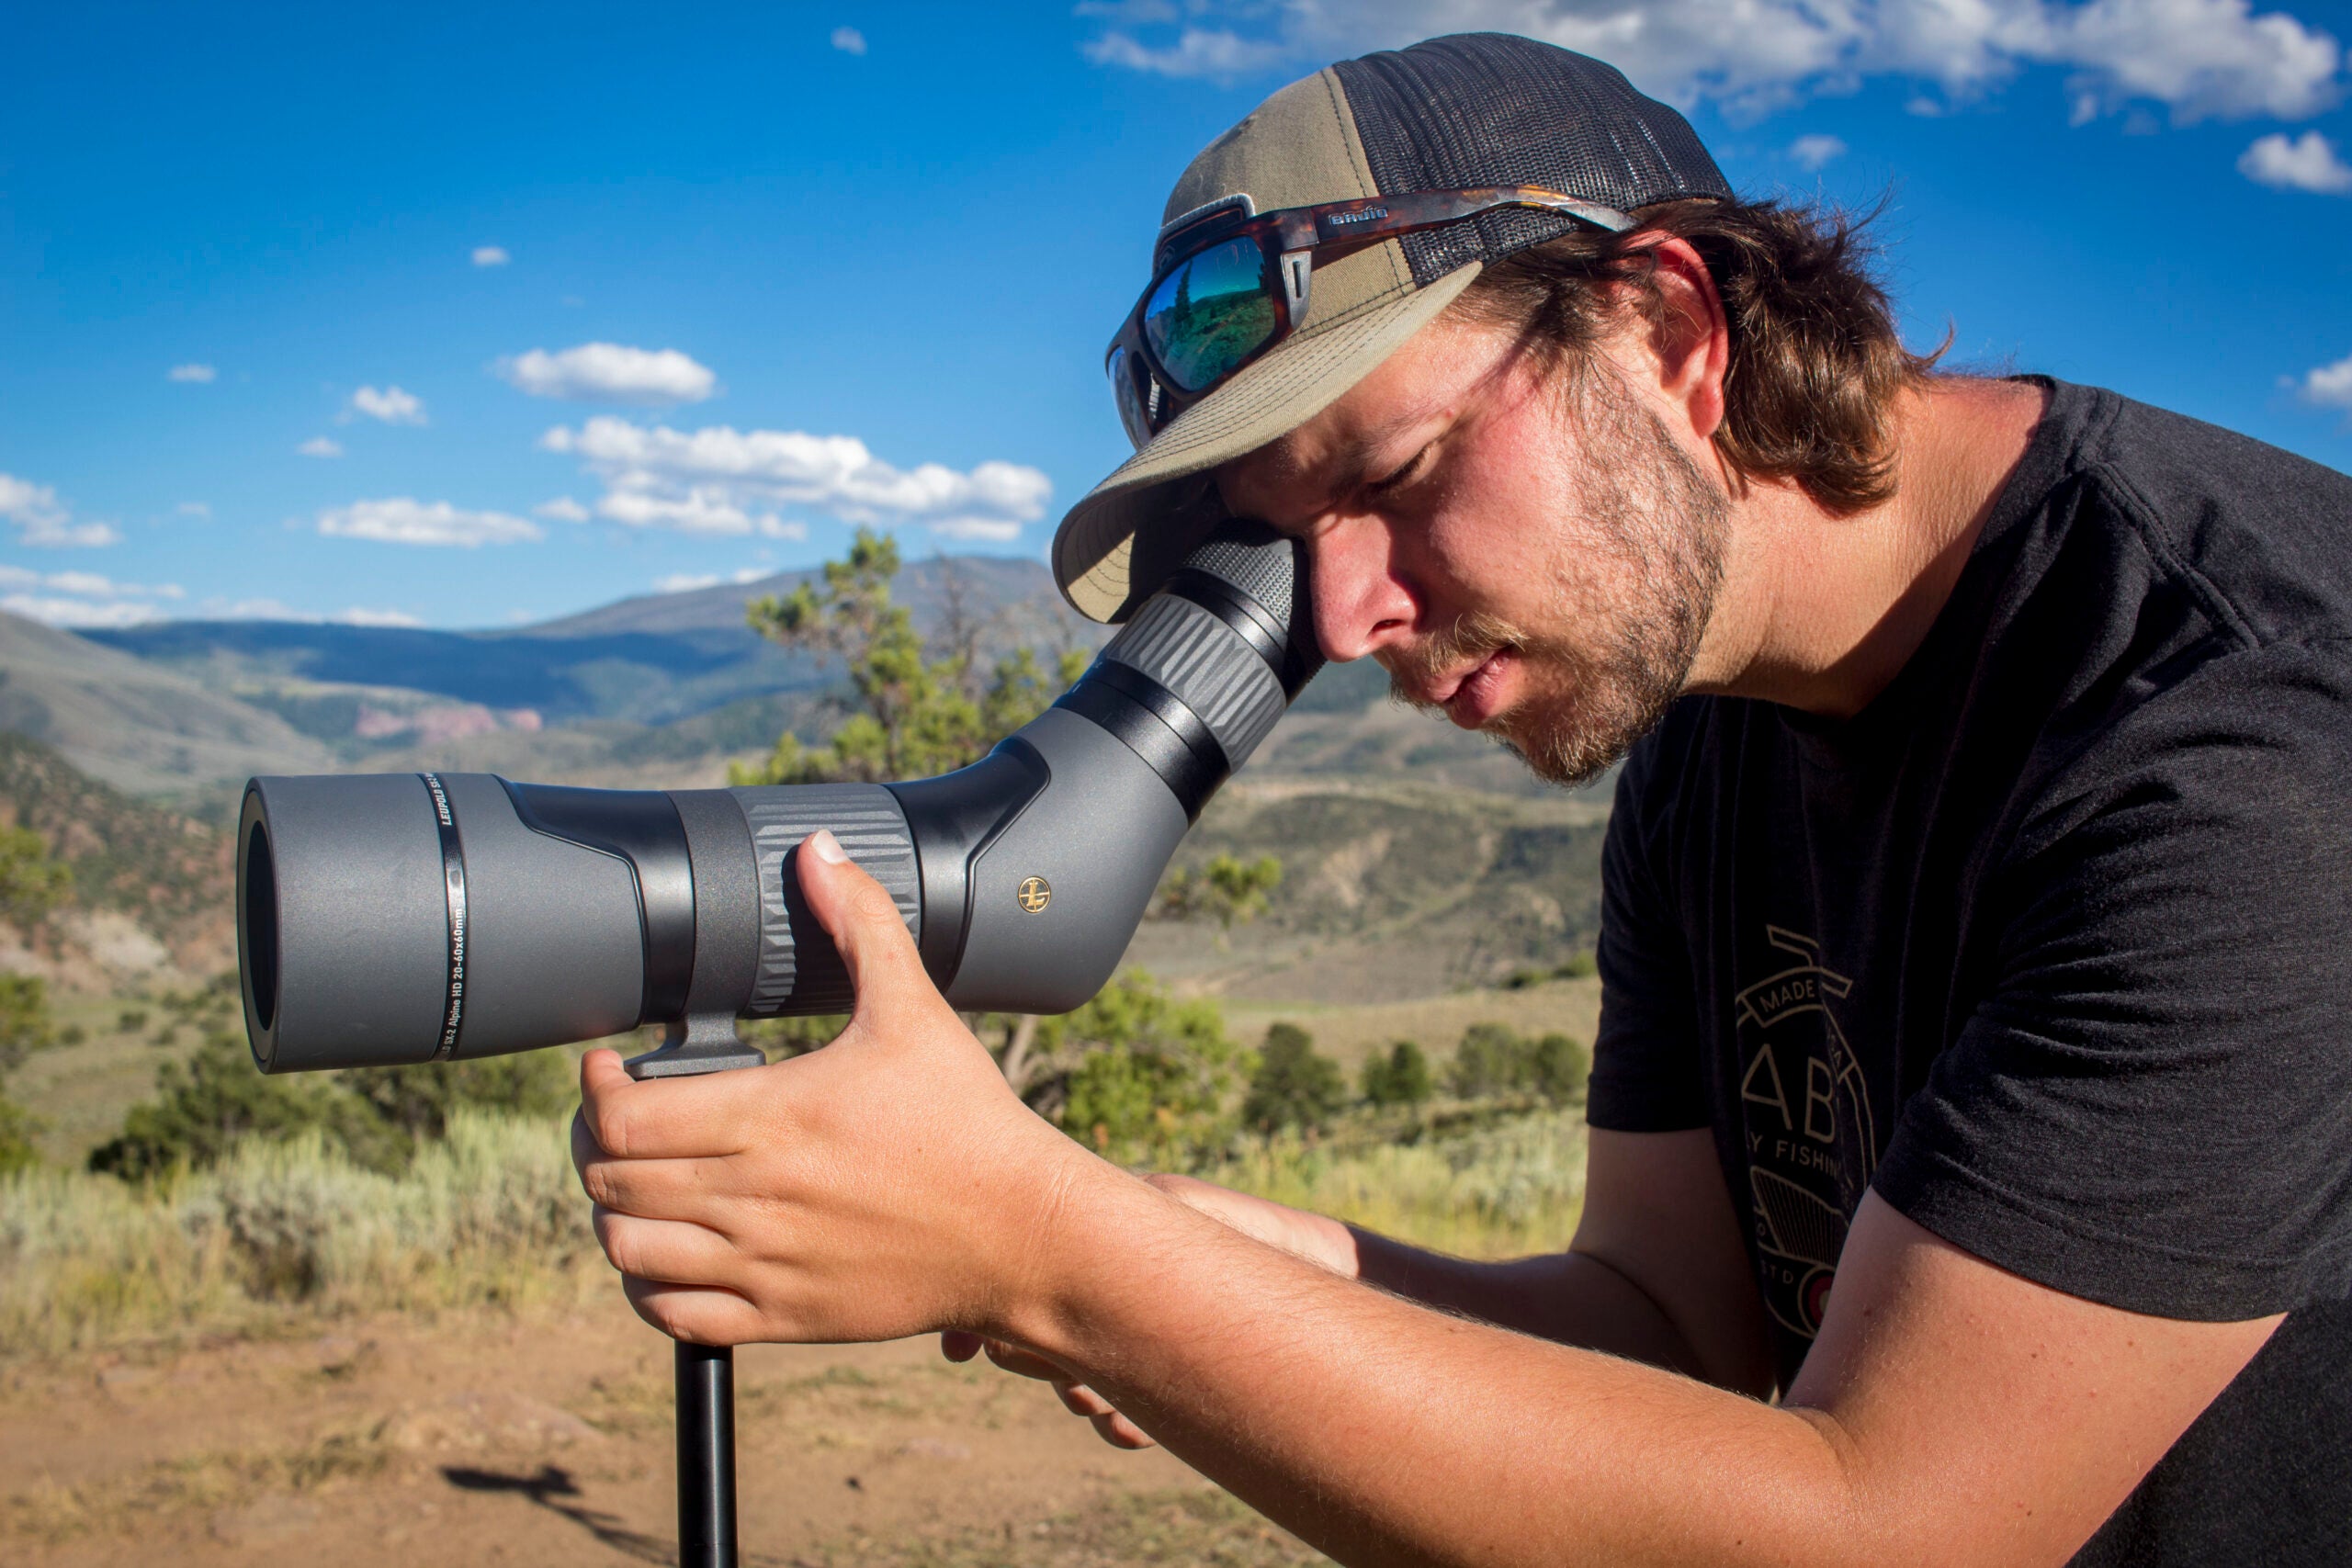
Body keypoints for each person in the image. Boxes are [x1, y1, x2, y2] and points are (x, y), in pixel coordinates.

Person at [571, 32, 2352, 1566]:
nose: (1344, 617)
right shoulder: (1704, 717)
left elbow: (1884, 1527)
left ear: (1667, 325)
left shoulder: (2233, 723)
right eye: (1290, 544)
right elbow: (1664, 1328)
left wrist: (1047, 1252)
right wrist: (1222, 1263)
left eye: (1394, 470)